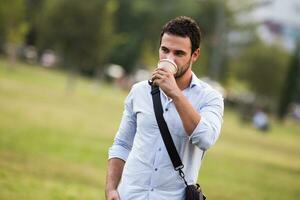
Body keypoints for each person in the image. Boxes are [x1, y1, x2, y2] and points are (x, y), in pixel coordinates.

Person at [105, 16, 224, 200]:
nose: (169, 58)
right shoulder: (139, 91)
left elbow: (205, 139)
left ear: (195, 54)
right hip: (130, 195)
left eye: (179, 53)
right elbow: (122, 144)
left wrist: (175, 93)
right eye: (165, 50)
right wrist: (111, 188)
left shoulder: (210, 98)